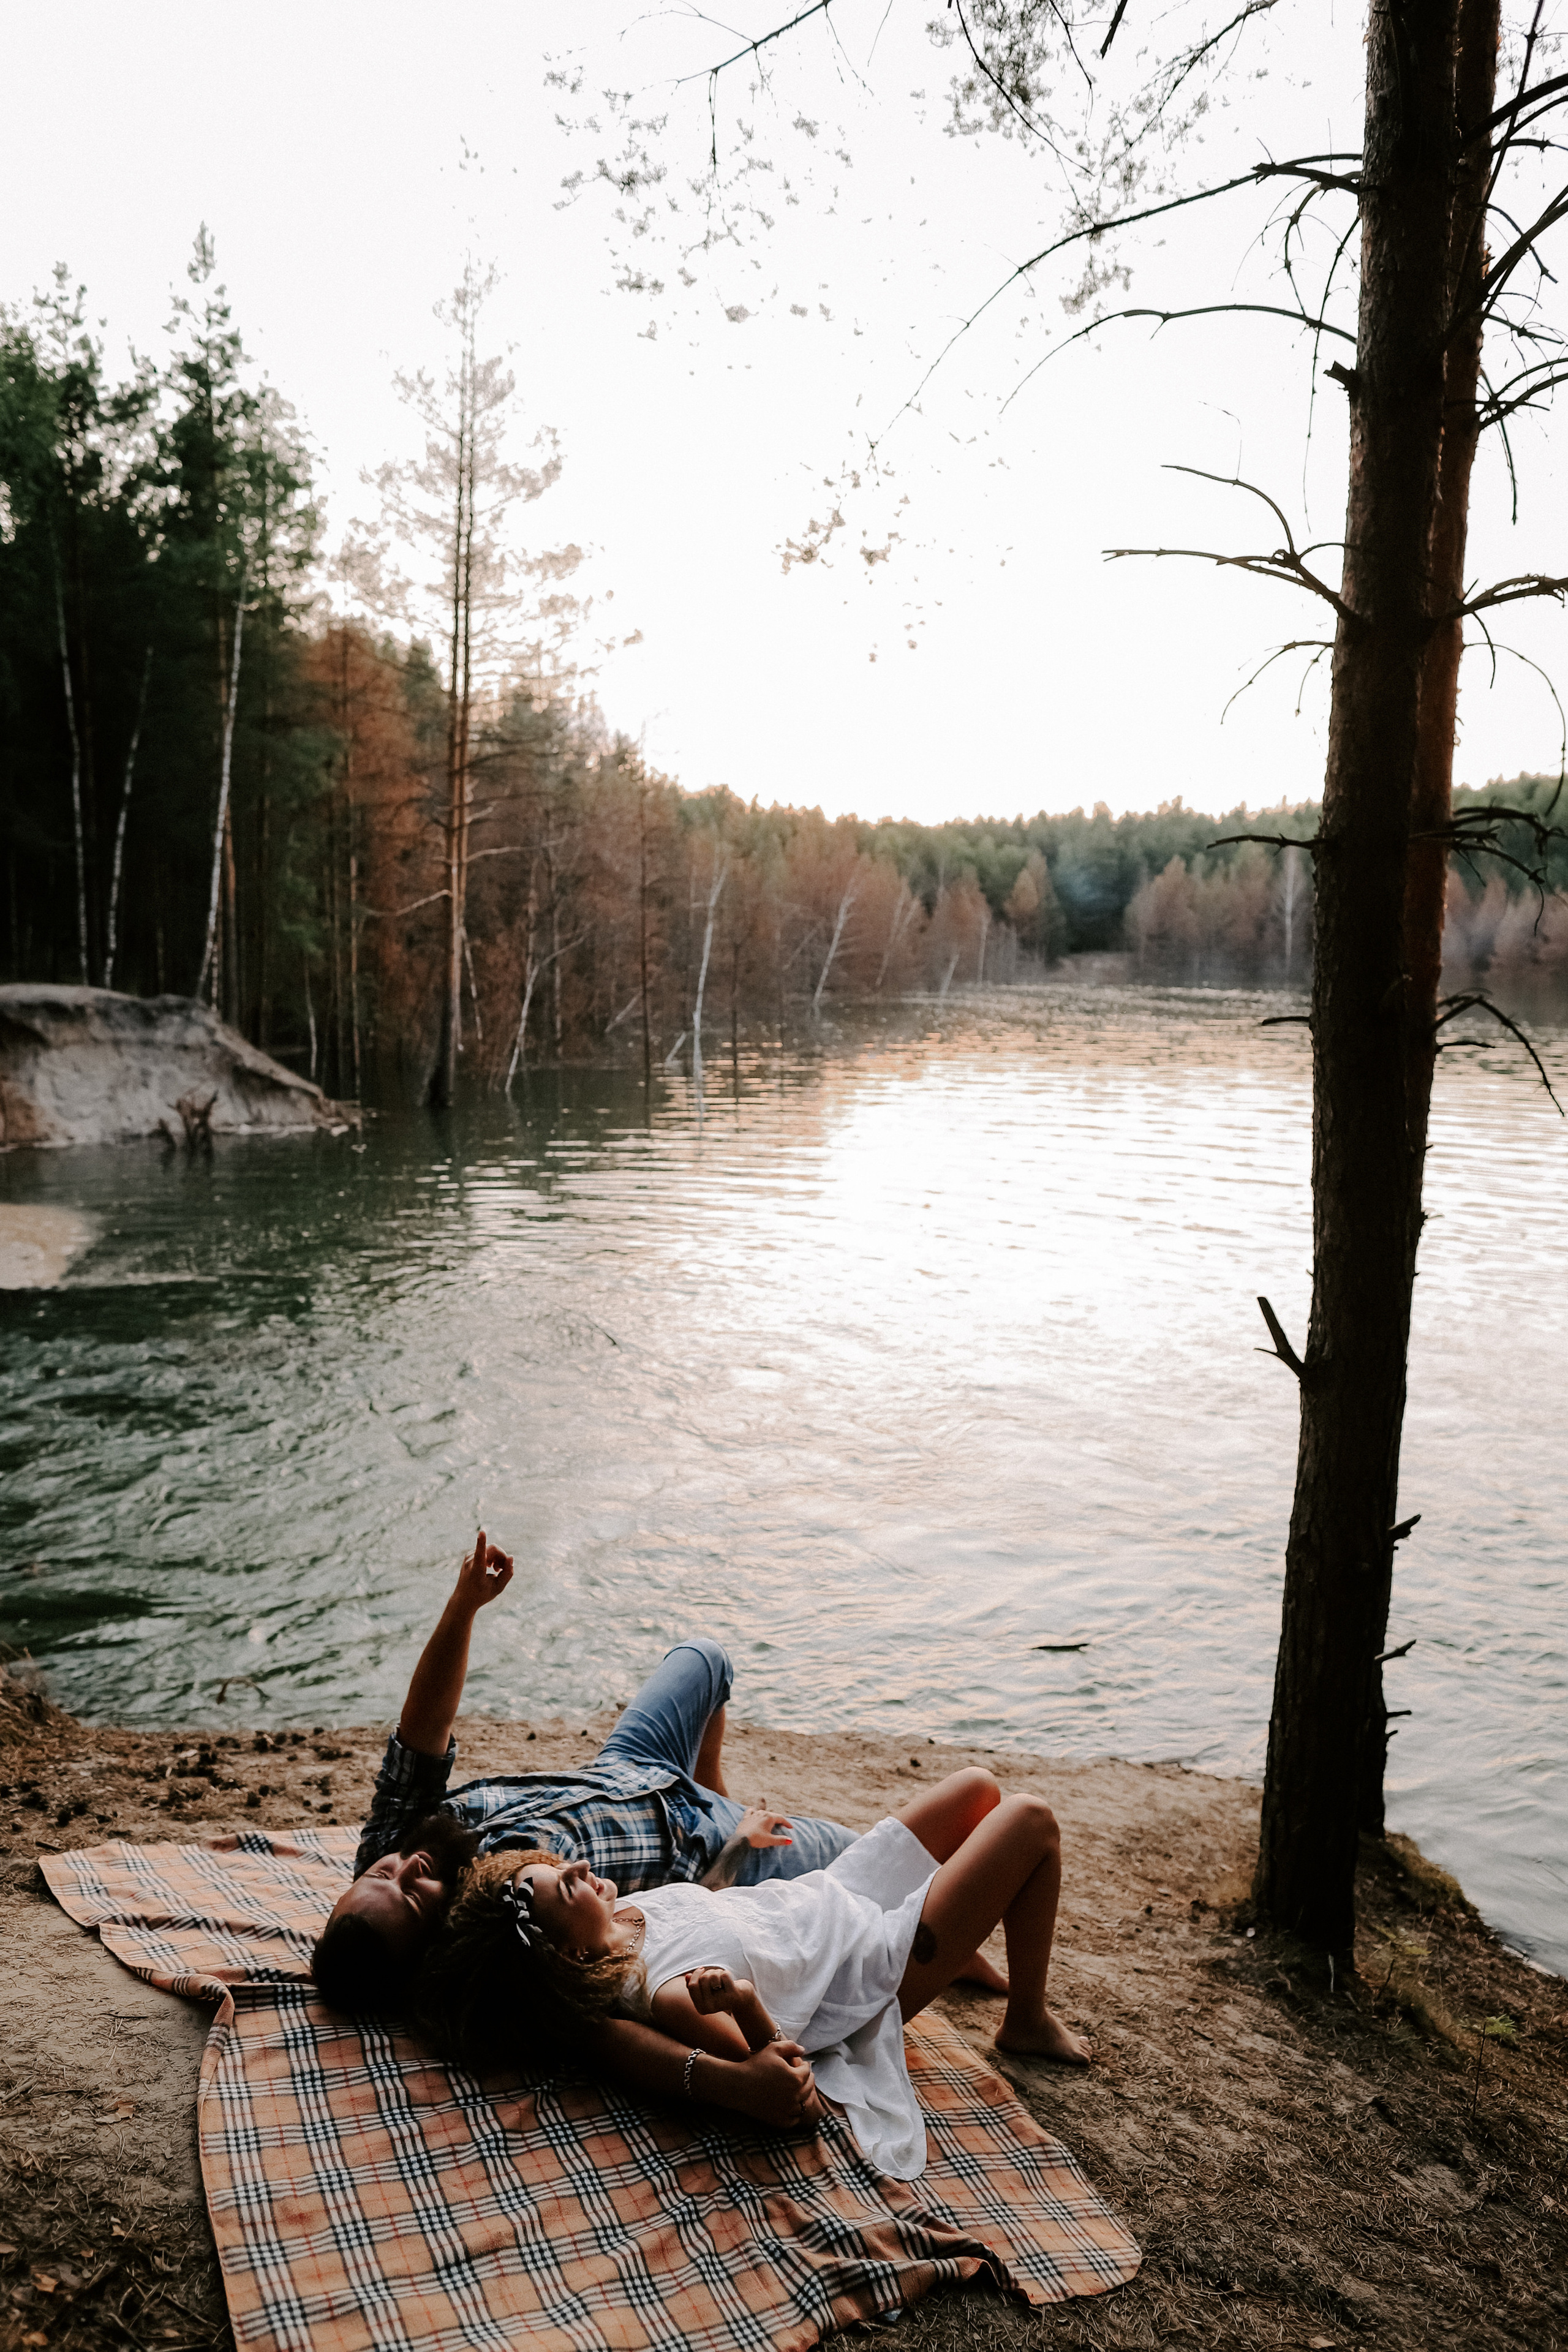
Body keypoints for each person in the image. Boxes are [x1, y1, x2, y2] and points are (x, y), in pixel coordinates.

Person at [417, 1765, 1093, 2180]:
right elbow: (780, 2072)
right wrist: (742, 2003)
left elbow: (705, 1906)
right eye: (566, 1887)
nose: (578, 1869)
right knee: (1030, 1821)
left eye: (559, 1865)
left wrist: (737, 1847)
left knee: (978, 1790)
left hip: (832, 1893)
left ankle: (958, 1925)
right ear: (570, 1957)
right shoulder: (672, 1996)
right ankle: (1024, 2020)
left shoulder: (623, 1916)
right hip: (869, 1964)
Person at [311, 1532, 858, 2027]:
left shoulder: (391, 1842)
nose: (410, 1866)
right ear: (428, 1946)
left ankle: (714, 1789)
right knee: (876, 1858)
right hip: (706, 1847)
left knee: (705, 1659)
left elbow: (423, 1730)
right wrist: (737, 1843)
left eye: (382, 1874)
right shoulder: (498, 1935)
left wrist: (465, 1605)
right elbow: (635, 1967)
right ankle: (727, 1815)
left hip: (627, 1768)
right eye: (412, 1895)